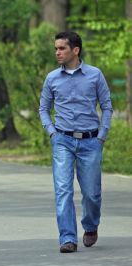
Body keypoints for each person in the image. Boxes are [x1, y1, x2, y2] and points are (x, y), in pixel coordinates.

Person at [39, 31, 113, 253]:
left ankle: (90, 226)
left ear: (75, 50)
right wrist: (52, 133)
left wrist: (102, 136)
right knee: (63, 190)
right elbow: (43, 109)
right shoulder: (52, 78)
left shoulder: (95, 75)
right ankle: (67, 238)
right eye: (56, 48)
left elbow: (107, 106)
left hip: (91, 142)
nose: (57, 52)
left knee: (91, 193)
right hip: (62, 141)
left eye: (61, 48)